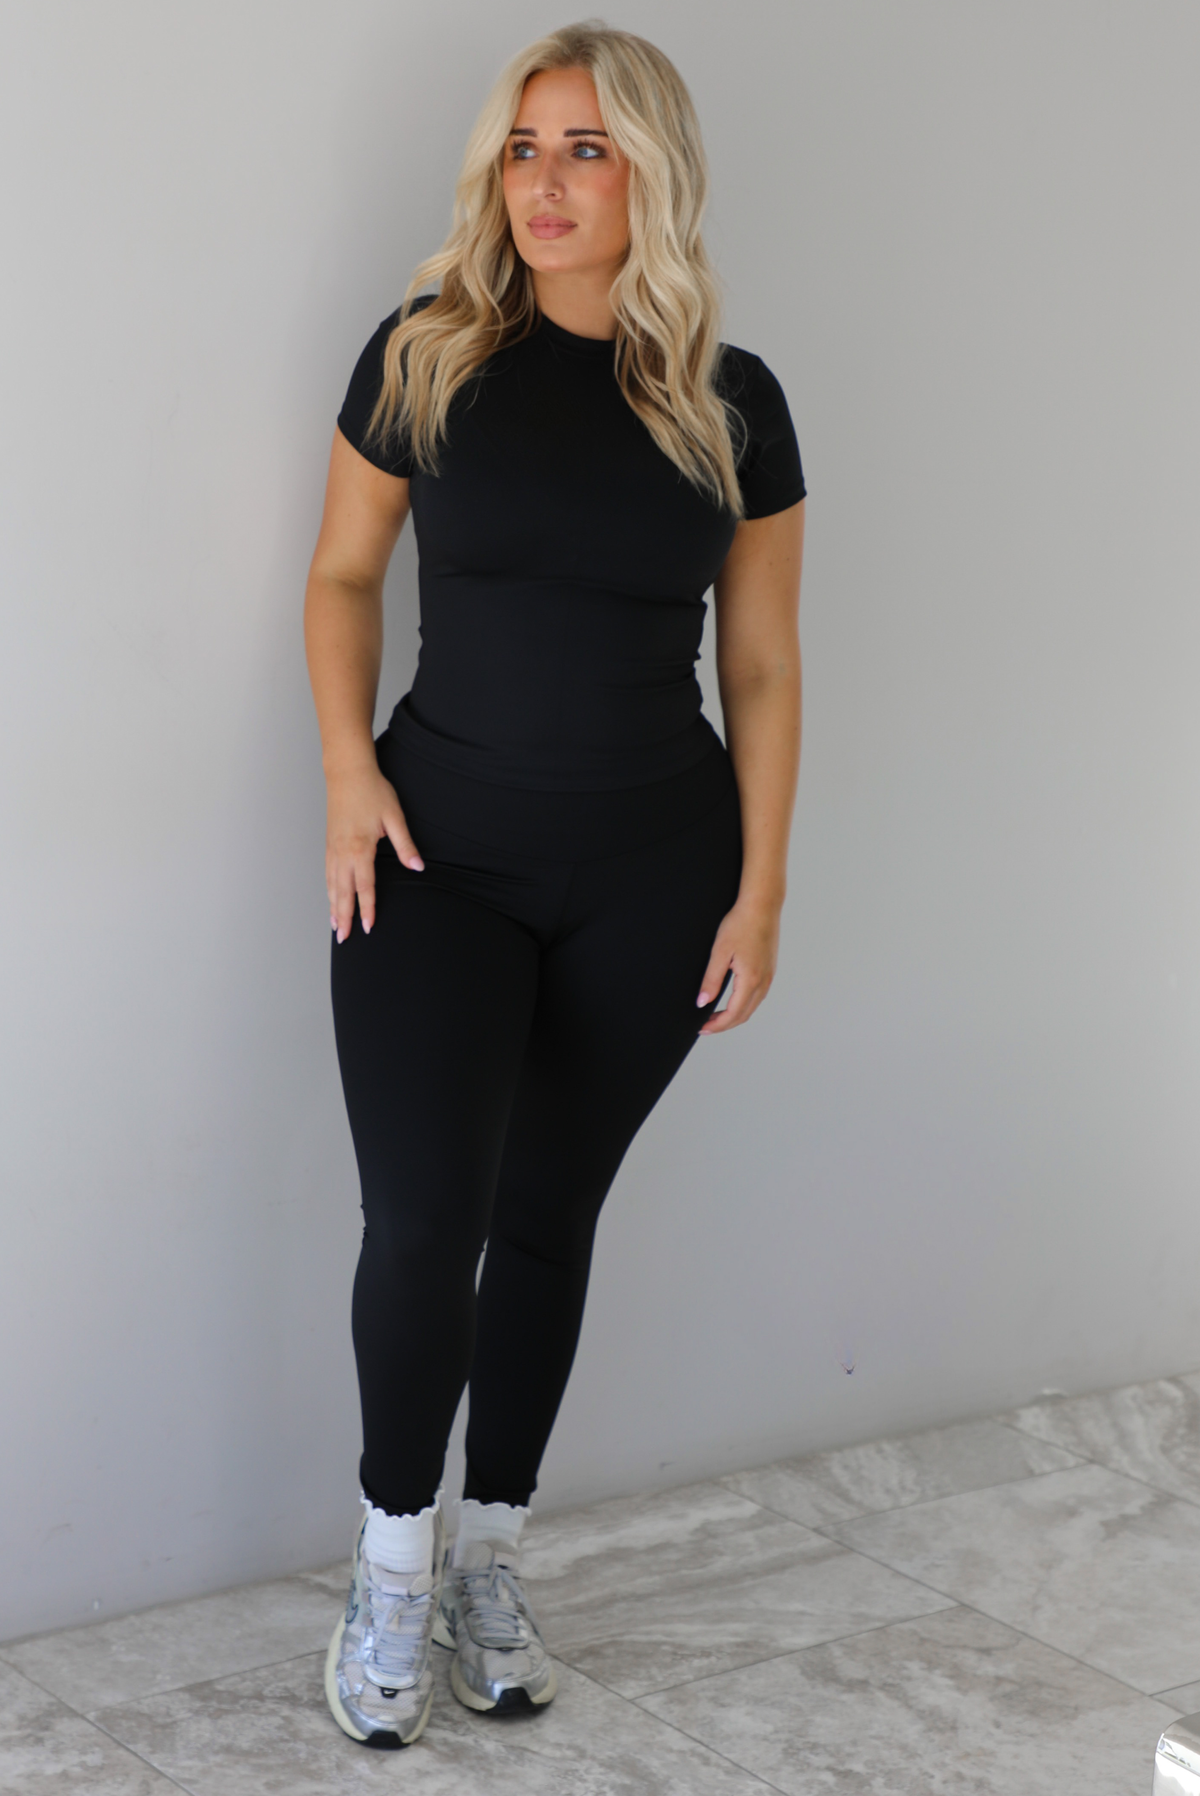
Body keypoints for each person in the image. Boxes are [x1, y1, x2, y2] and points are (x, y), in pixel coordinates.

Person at [303, 20, 805, 1751]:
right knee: (422, 1223)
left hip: (655, 873)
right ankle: (389, 1565)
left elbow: (763, 663)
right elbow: (342, 575)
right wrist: (350, 773)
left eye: (587, 149)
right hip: (434, 852)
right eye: (525, 148)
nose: (546, 182)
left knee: (545, 1221)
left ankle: (488, 1560)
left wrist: (761, 889)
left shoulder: (734, 403)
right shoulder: (428, 354)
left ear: (651, 172)